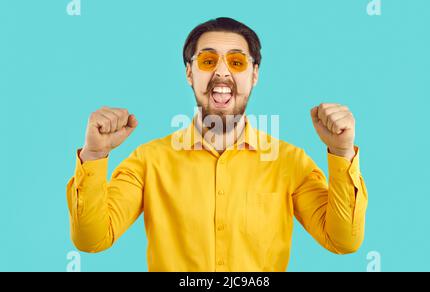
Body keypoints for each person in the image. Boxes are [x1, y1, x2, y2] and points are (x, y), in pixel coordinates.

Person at [66, 17, 368, 272]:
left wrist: (341, 152)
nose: (222, 72)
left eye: (236, 62)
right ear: (189, 73)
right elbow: (92, 240)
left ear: (254, 74)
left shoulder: (290, 162)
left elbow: (343, 241)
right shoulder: (149, 160)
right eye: (208, 60)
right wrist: (95, 154)